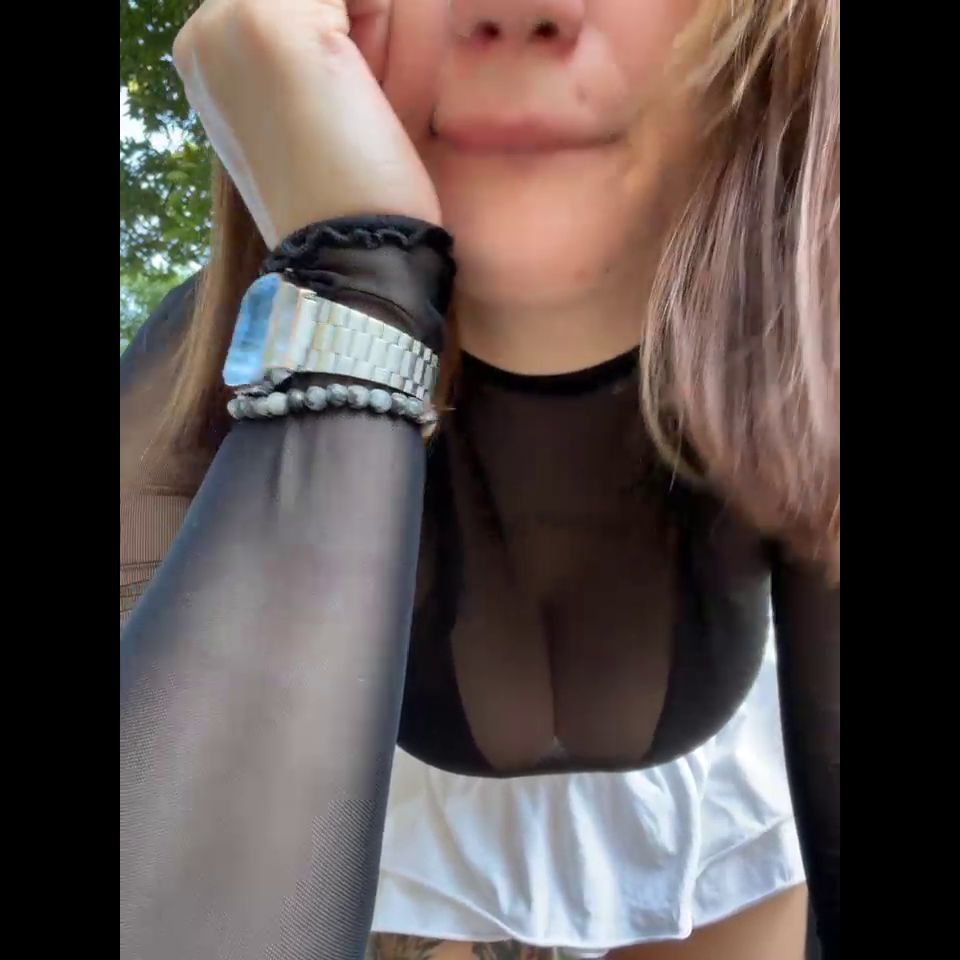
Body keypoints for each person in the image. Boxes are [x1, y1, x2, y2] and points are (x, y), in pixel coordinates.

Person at [119, 2, 839, 959]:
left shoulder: (814, 339)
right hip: (361, 798)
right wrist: (352, 288)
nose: (521, 7)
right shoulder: (199, 364)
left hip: (713, 818)